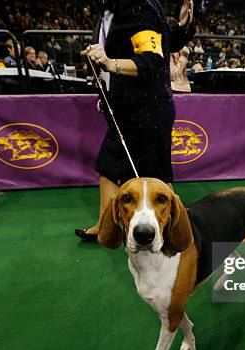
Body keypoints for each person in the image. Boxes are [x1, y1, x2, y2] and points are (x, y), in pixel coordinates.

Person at [75, 0, 195, 241]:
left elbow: (151, 62)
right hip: (125, 107)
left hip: (147, 109)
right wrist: (109, 96)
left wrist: (110, 63)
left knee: (157, 176)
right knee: (108, 166)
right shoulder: (113, 9)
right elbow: (166, 40)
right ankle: (105, 228)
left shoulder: (139, 6)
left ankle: (180, 234)